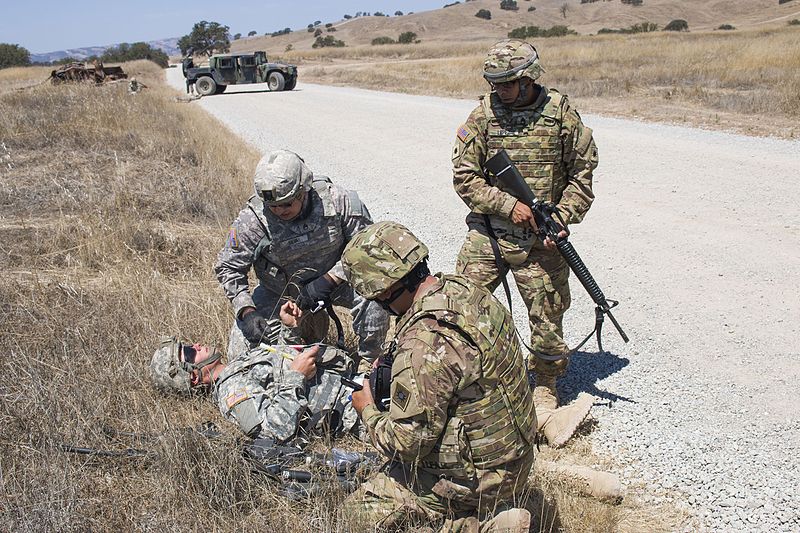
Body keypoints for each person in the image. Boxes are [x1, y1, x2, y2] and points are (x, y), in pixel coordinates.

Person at [339, 221, 537, 531]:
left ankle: (477, 525)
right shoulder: (468, 290)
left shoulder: (423, 344)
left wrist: (367, 409)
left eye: (376, 297)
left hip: (481, 481)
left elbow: (408, 444)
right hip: (518, 458)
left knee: (354, 516)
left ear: (388, 289)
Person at [451, 39, 599, 413]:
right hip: (491, 232)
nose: (499, 91)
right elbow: (465, 177)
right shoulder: (483, 116)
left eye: (507, 83)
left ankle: (546, 383)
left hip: (541, 237)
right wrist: (507, 205)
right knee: (458, 306)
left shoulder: (561, 115)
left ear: (528, 78)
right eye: (494, 83)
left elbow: (582, 177)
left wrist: (561, 218)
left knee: (548, 312)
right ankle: (462, 376)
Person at [214, 149, 389, 367]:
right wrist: (246, 310)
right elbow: (228, 267)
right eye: (273, 205)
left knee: (375, 289)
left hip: (337, 283)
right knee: (240, 355)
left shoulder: (337, 202)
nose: (279, 211)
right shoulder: (253, 220)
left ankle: (369, 365)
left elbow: (366, 248)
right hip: (279, 292)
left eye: (287, 203)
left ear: (303, 190)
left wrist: (331, 279)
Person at [149, 323, 360, 443]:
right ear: (193, 377)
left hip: (354, 380)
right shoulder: (231, 392)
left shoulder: (237, 364)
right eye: (189, 352)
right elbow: (274, 430)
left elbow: (281, 363)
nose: (196, 345)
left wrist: (289, 330)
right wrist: (297, 375)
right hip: (353, 408)